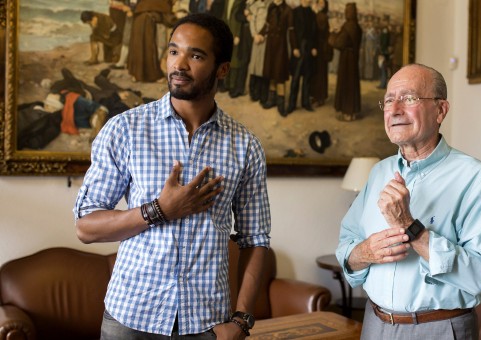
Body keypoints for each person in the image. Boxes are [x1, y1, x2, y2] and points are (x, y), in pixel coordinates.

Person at [74, 13, 272, 339]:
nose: (179, 64)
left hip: (206, 324)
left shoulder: (245, 146)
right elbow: (85, 227)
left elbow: (256, 240)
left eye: (195, 55)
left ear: (222, 69)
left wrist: (241, 320)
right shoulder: (126, 130)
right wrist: (160, 210)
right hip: (130, 319)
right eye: (173, 51)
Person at [335, 63, 481, 340]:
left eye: (409, 98)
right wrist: (365, 253)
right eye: (389, 100)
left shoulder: (474, 176)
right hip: (375, 324)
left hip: (440, 328)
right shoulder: (378, 173)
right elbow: (346, 247)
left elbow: (478, 275)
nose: (395, 109)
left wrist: (411, 227)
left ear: (440, 110)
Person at [328, 2, 361, 121]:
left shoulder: (347, 26)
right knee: (352, 84)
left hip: (346, 59)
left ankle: (347, 112)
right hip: (353, 58)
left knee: (346, 84)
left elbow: (338, 43)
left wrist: (332, 34)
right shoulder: (357, 26)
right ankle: (353, 112)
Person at [285, 0, 317, 114]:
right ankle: (292, 104)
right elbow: (291, 31)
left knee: (307, 77)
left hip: (308, 50)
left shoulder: (313, 14)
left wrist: (314, 47)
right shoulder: (294, 12)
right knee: (296, 78)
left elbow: (314, 33)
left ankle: (305, 103)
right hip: (298, 49)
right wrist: (294, 47)